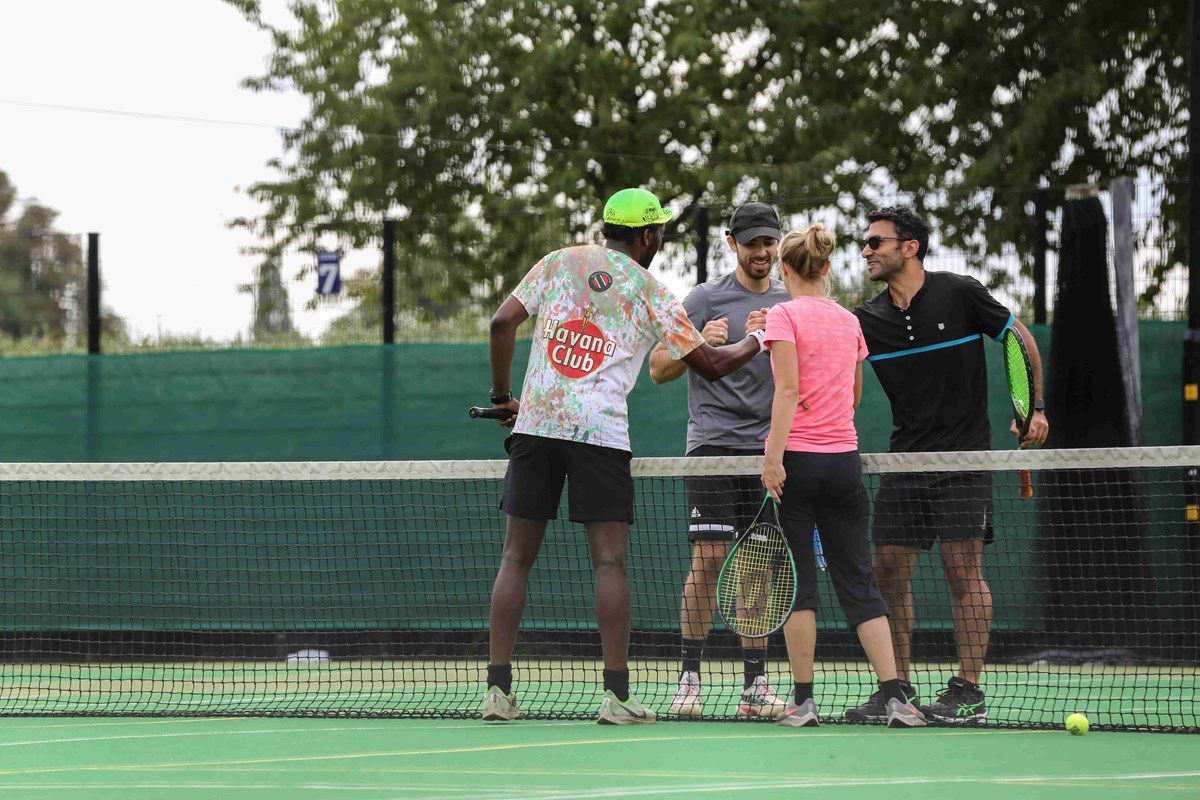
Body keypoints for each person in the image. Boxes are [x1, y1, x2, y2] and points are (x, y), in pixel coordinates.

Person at [481, 187, 770, 725]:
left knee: (514, 559)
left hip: (537, 427)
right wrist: (759, 339)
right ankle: (616, 698)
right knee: (609, 563)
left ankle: (497, 691)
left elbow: (501, 323)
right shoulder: (650, 290)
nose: (661, 237)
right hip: (600, 437)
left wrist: (503, 399)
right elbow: (710, 364)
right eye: (660, 230)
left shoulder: (558, 262)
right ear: (648, 234)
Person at [847, 206, 1049, 724]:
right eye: (865, 243)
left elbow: (1017, 337)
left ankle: (969, 689)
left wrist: (1031, 409)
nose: (866, 251)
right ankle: (899, 689)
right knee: (886, 568)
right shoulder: (867, 319)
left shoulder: (960, 293)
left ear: (909, 247)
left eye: (875, 242)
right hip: (904, 460)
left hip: (964, 457)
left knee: (963, 570)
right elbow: (833, 364)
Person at [759, 223, 925, 729]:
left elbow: (787, 391)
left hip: (799, 466)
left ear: (784, 269)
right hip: (844, 464)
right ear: (827, 268)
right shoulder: (850, 321)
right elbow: (853, 398)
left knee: (800, 587)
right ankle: (897, 697)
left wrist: (773, 455)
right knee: (859, 582)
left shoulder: (782, 315)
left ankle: (803, 702)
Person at [648, 202, 791, 719]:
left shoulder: (790, 300)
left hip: (768, 451)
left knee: (757, 568)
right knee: (708, 562)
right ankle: (689, 678)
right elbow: (658, 368)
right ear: (732, 243)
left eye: (769, 242)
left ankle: (754, 687)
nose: (762, 252)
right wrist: (698, 344)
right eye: (752, 243)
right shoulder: (704, 299)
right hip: (710, 446)